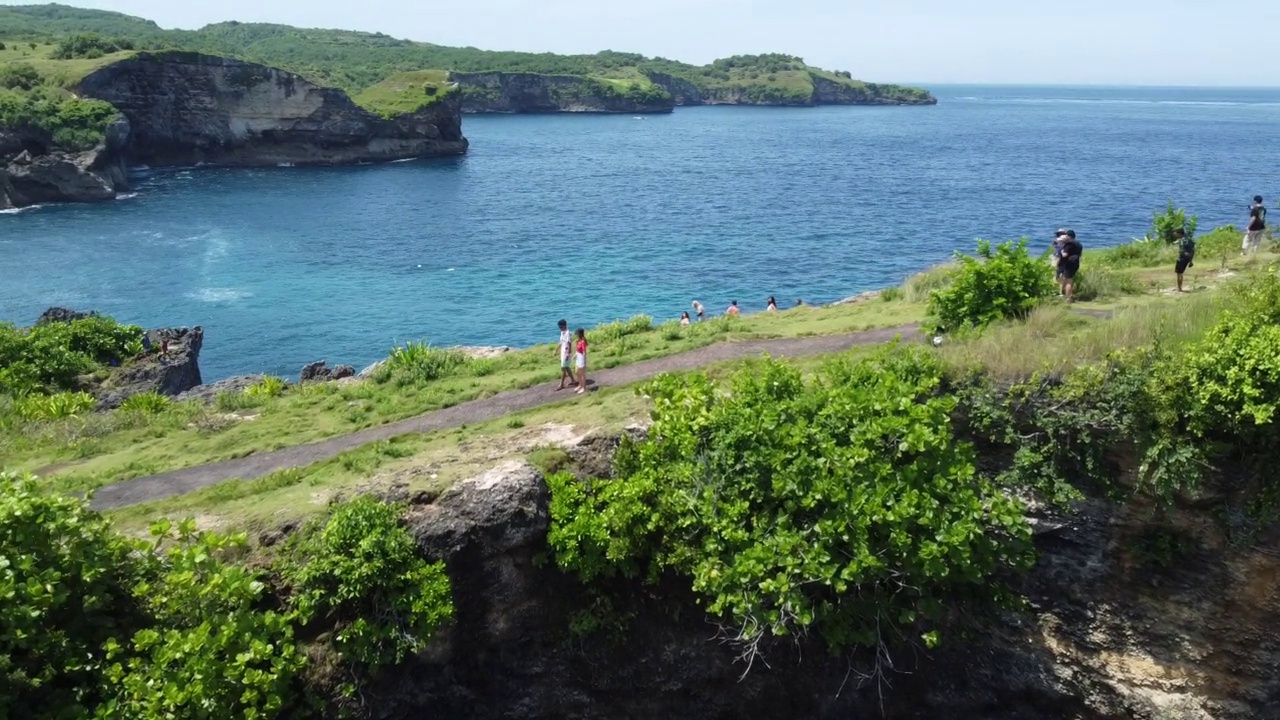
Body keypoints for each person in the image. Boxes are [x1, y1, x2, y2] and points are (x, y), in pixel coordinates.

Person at [1058, 230, 1083, 303]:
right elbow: (1080, 255)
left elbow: (1064, 255)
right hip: (1076, 263)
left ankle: (1068, 298)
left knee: (1068, 281)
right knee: (1069, 280)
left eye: (1066, 236)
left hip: (1069, 263)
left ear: (1069, 236)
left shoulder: (1069, 244)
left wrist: (1061, 251)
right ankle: (1070, 296)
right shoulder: (1079, 244)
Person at [556, 319, 575, 390]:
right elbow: (561, 342)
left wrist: (567, 354)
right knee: (566, 367)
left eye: (560, 327)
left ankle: (561, 384)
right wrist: (556, 349)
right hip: (563, 352)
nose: (560, 328)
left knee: (563, 368)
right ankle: (573, 380)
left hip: (566, 353)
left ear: (564, 326)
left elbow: (569, 344)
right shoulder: (562, 332)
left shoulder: (567, 333)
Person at [1174, 227, 1195, 293]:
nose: (1175, 235)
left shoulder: (1182, 241)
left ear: (1180, 234)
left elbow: (1182, 250)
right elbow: (1192, 251)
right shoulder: (1189, 240)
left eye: (1176, 233)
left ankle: (1179, 288)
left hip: (1182, 258)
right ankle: (1179, 288)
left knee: (1179, 273)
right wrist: (1190, 260)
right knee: (1181, 273)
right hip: (1187, 259)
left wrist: (1182, 255)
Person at [1051, 229, 1068, 295]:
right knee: (1062, 277)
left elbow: (1053, 246)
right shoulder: (1067, 242)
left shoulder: (1057, 241)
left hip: (1057, 258)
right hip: (1065, 260)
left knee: (1055, 275)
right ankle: (1061, 292)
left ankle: (1054, 291)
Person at [574, 328, 589, 395]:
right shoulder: (578, 340)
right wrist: (575, 355)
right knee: (577, 372)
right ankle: (580, 385)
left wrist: (584, 360)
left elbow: (584, 352)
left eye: (577, 333)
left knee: (582, 374)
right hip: (578, 356)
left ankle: (584, 388)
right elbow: (578, 350)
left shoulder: (583, 341)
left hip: (581, 358)